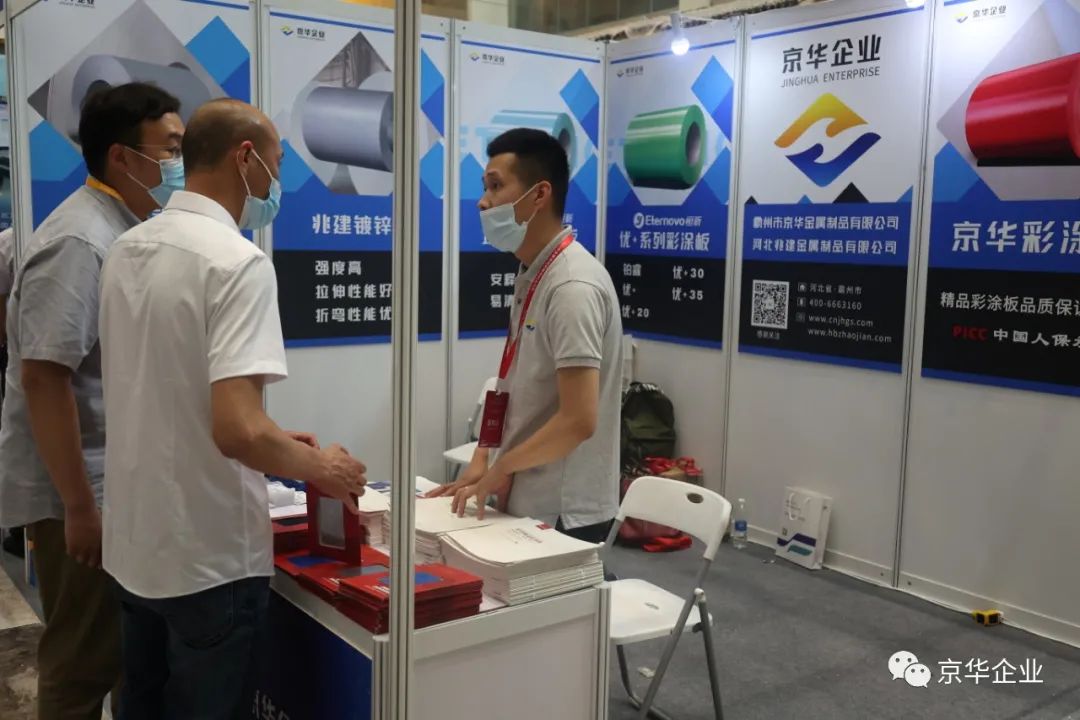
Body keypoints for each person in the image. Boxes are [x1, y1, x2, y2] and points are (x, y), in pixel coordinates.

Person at [99, 98, 368, 720]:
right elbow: (237, 430)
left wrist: (277, 440)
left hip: (135, 546)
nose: (277, 183)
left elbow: (164, 392)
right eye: (277, 164)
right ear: (245, 158)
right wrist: (322, 468)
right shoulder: (237, 262)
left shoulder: (127, 249)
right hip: (208, 560)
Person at [0, 82, 184, 719]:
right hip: (77, 493)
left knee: (119, 653)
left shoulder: (121, 228)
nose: (178, 164)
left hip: (108, 485)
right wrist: (80, 508)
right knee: (82, 661)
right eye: (170, 149)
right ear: (122, 157)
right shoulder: (81, 241)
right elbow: (44, 377)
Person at [428, 128, 624, 543]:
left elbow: (578, 420)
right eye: (484, 187)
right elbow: (513, 384)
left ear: (539, 196)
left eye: (496, 186)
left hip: (564, 508)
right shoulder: (534, 272)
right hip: (525, 494)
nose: (483, 201)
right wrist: (483, 455)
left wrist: (502, 466)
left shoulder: (572, 286)